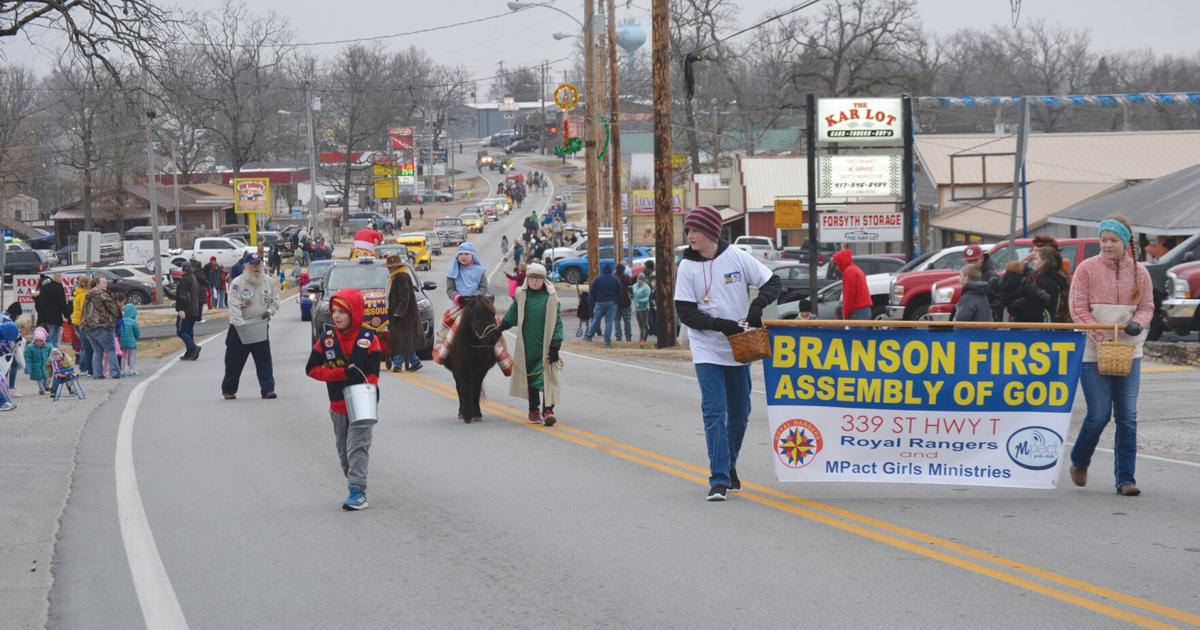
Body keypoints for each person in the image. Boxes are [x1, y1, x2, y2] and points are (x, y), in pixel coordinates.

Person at [674, 205, 782, 501]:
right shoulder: (687, 266)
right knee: (714, 410)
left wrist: (757, 305)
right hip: (707, 347)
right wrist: (722, 326)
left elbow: (773, 282)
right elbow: (686, 313)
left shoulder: (736, 257)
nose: (690, 236)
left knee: (740, 413)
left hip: (739, 348)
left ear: (710, 232)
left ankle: (729, 464)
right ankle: (719, 479)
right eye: (689, 230)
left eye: (695, 230)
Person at [1068, 215, 1154, 497]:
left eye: (1113, 240)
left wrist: (1138, 323)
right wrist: (1101, 336)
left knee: (1128, 417)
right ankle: (1080, 460)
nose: (1106, 245)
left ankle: (1126, 479)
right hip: (1094, 353)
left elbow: (1147, 307)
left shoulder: (1140, 273)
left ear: (1125, 243)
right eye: (1103, 240)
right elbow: (1078, 308)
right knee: (1098, 414)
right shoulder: (1086, 270)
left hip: (1130, 351)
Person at [306, 288, 381, 511]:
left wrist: (364, 385)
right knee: (343, 450)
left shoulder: (369, 339)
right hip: (337, 403)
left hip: (362, 403)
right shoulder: (327, 340)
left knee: (357, 447)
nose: (336, 316)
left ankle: (357, 492)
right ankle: (354, 481)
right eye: (334, 311)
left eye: (342, 312)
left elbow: (374, 373)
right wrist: (338, 374)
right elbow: (311, 369)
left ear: (355, 313)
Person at [495, 263, 564, 425]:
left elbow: (558, 322)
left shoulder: (551, 298)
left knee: (548, 377)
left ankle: (548, 411)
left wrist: (556, 343)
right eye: (532, 278)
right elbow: (512, 315)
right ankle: (533, 410)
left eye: (538, 279)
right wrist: (500, 328)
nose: (534, 282)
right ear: (527, 279)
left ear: (544, 280)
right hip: (527, 346)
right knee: (531, 378)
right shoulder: (522, 296)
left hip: (546, 346)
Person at [222, 253, 280, 400]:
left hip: (259, 325)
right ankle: (229, 389)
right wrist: (240, 325)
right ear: (246, 266)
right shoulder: (237, 283)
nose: (257, 267)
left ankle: (268, 389)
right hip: (240, 328)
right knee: (234, 361)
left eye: (258, 264)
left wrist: (269, 312)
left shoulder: (268, 282)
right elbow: (234, 305)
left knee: (264, 360)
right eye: (253, 264)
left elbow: (275, 301)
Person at [1010, 247, 1069, 323]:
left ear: (1045, 261)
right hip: (1053, 325)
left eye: (1036, 259)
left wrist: (1014, 305)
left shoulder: (1046, 281)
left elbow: (1034, 305)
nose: (1033, 262)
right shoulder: (1059, 277)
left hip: (1040, 328)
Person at [386, 255, 424, 373]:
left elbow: (405, 297)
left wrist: (399, 313)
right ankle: (414, 361)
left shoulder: (401, 276)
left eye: (391, 266)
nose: (389, 269)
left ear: (396, 266)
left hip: (405, 315)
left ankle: (398, 364)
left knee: (400, 339)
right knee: (404, 340)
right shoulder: (397, 276)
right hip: (402, 314)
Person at [81, 276, 122, 379]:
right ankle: (115, 372)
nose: (106, 284)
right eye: (103, 282)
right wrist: (118, 313)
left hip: (88, 327)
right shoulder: (102, 295)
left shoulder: (88, 295)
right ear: (97, 284)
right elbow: (114, 309)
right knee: (110, 349)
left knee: (97, 350)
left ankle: (98, 373)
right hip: (102, 325)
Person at [585, 262, 622, 347]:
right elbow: (620, 291)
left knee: (596, 320)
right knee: (609, 322)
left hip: (600, 302)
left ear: (603, 269)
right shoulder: (615, 279)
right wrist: (617, 301)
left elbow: (592, 292)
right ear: (611, 269)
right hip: (612, 302)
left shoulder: (597, 279)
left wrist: (592, 303)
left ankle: (589, 336)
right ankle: (607, 341)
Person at [832, 249, 872, 319]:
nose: (836, 268)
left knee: (854, 330)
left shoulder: (848, 272)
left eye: (836, 264)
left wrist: (845, 313)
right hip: (864, 309)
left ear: (841, 261)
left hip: (857, 311)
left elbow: (849, 295)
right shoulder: (856, 269)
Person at [175, 262, 202, 361]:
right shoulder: (194, 278)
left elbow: (183, 297)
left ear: (183, 270)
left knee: (181, 331)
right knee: (189, 331)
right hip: (194, 309)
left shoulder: (184, 280)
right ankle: (190, 352)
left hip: (186, 310)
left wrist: (181, 309)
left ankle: (193, 347)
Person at [33, 273, 69, 348]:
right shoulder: (59, 288)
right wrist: (67, 315)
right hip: (54, 318)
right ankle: (53, 355)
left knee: (44, 338)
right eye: (61, 279)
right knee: (54, 340)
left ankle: (44, 352)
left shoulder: (44, 287)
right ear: (59, 279)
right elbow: (61, 303)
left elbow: (39, 303)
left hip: (43, 317)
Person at [71, 277, 92, 375]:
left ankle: (83, 366)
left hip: (76, 320)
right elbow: (85, 309)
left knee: (84, 345)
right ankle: (84, 366)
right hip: (82, 321)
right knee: (86, 345)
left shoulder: (77, 293)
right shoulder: (84, 295)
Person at [24, 327, 52, 395]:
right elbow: (27, 358)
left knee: (46, 377)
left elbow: (51, 353)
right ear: (34, 341)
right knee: (39, 378)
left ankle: (46, 386)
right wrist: (28, 367)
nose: (38, 343)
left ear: (44, 341)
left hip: (45, 365)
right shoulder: (30, 348)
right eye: (37, 341)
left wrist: (51, 360)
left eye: (40, 341)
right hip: (35, 366)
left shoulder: (48, 347)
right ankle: (41, 389)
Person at [119, 302, 141, 376]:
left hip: (122, 341)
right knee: (131, 355)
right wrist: (136, 337)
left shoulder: (121, 321)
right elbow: (137, 332)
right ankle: (131, 370)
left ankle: (121, 370)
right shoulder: (133, 322)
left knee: (123, 355)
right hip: (131, 341)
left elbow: (119, 331)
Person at [632, 274, 652, 344]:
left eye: (641, 279)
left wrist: (639, 301)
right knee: (640, 325)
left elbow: (647, 298)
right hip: (637, 308)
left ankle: (644, 339)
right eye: (638, 279)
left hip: (644, 308)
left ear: (643, 280)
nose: (639, 281)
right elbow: (632, 295)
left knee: (644, 324)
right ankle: (641, 339)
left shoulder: (646, 288)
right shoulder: (634, 286)